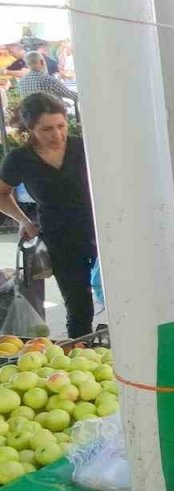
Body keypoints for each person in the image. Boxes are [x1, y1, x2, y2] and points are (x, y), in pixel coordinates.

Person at [0, 93, 97, 338]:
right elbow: (2, 193)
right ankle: (82, 353)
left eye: (61, 126)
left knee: (122, 297)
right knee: (78, 306)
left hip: (102, 230)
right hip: (59, 237)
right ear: (30, 128)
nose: (56, 135)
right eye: (46, 129)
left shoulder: (84, 147)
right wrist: (23, 220)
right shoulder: (20, 159)